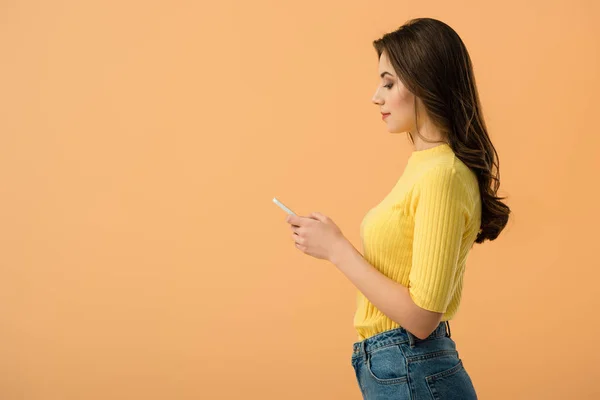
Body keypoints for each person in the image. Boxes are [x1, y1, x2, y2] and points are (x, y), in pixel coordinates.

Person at [285, 16, 510, 400]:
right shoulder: (425, 167)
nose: (377, 96)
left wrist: (337, 249)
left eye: (388, 83)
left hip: (410, 364)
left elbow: (423, 318)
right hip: (397, 365)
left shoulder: (441, 174)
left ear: (424, 82)